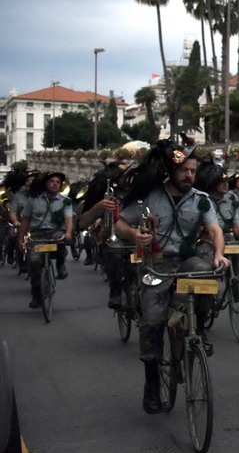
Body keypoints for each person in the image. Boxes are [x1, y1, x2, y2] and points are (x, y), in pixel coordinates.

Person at [114, 141, 228, 414]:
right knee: (152, 321)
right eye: (184, 170)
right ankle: (152, 382)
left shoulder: (201, 199)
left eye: (193, 171)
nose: (189, 175)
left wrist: (219, 254)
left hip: (186, 260)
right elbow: (120, 224)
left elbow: (215, 229)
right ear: (172, 172)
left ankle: (199, 327)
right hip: (157, 264)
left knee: (206, 273)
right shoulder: (150, 197)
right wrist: (134, 234)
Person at [78, 162, 130, 309]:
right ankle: (115, 292)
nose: (127, 179)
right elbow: (82, 224)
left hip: (137, 236)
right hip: (116, 238)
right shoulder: (107, 195)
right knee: (115, 253)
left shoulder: (139, 191)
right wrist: (98, 207)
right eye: (123, 176)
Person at [17, 171, 72, 308]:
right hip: (37, 234)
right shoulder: (33, 200)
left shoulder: (66, 201)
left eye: (58, 182)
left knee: (60, 242)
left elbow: (68, 219)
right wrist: (21, 239)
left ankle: (60, 264)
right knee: (34, 261)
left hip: (56, 232)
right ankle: (36, 294)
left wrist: (68, 233)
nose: (55, 184)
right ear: (46, 184)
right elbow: (26, 220)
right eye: (52, 181)